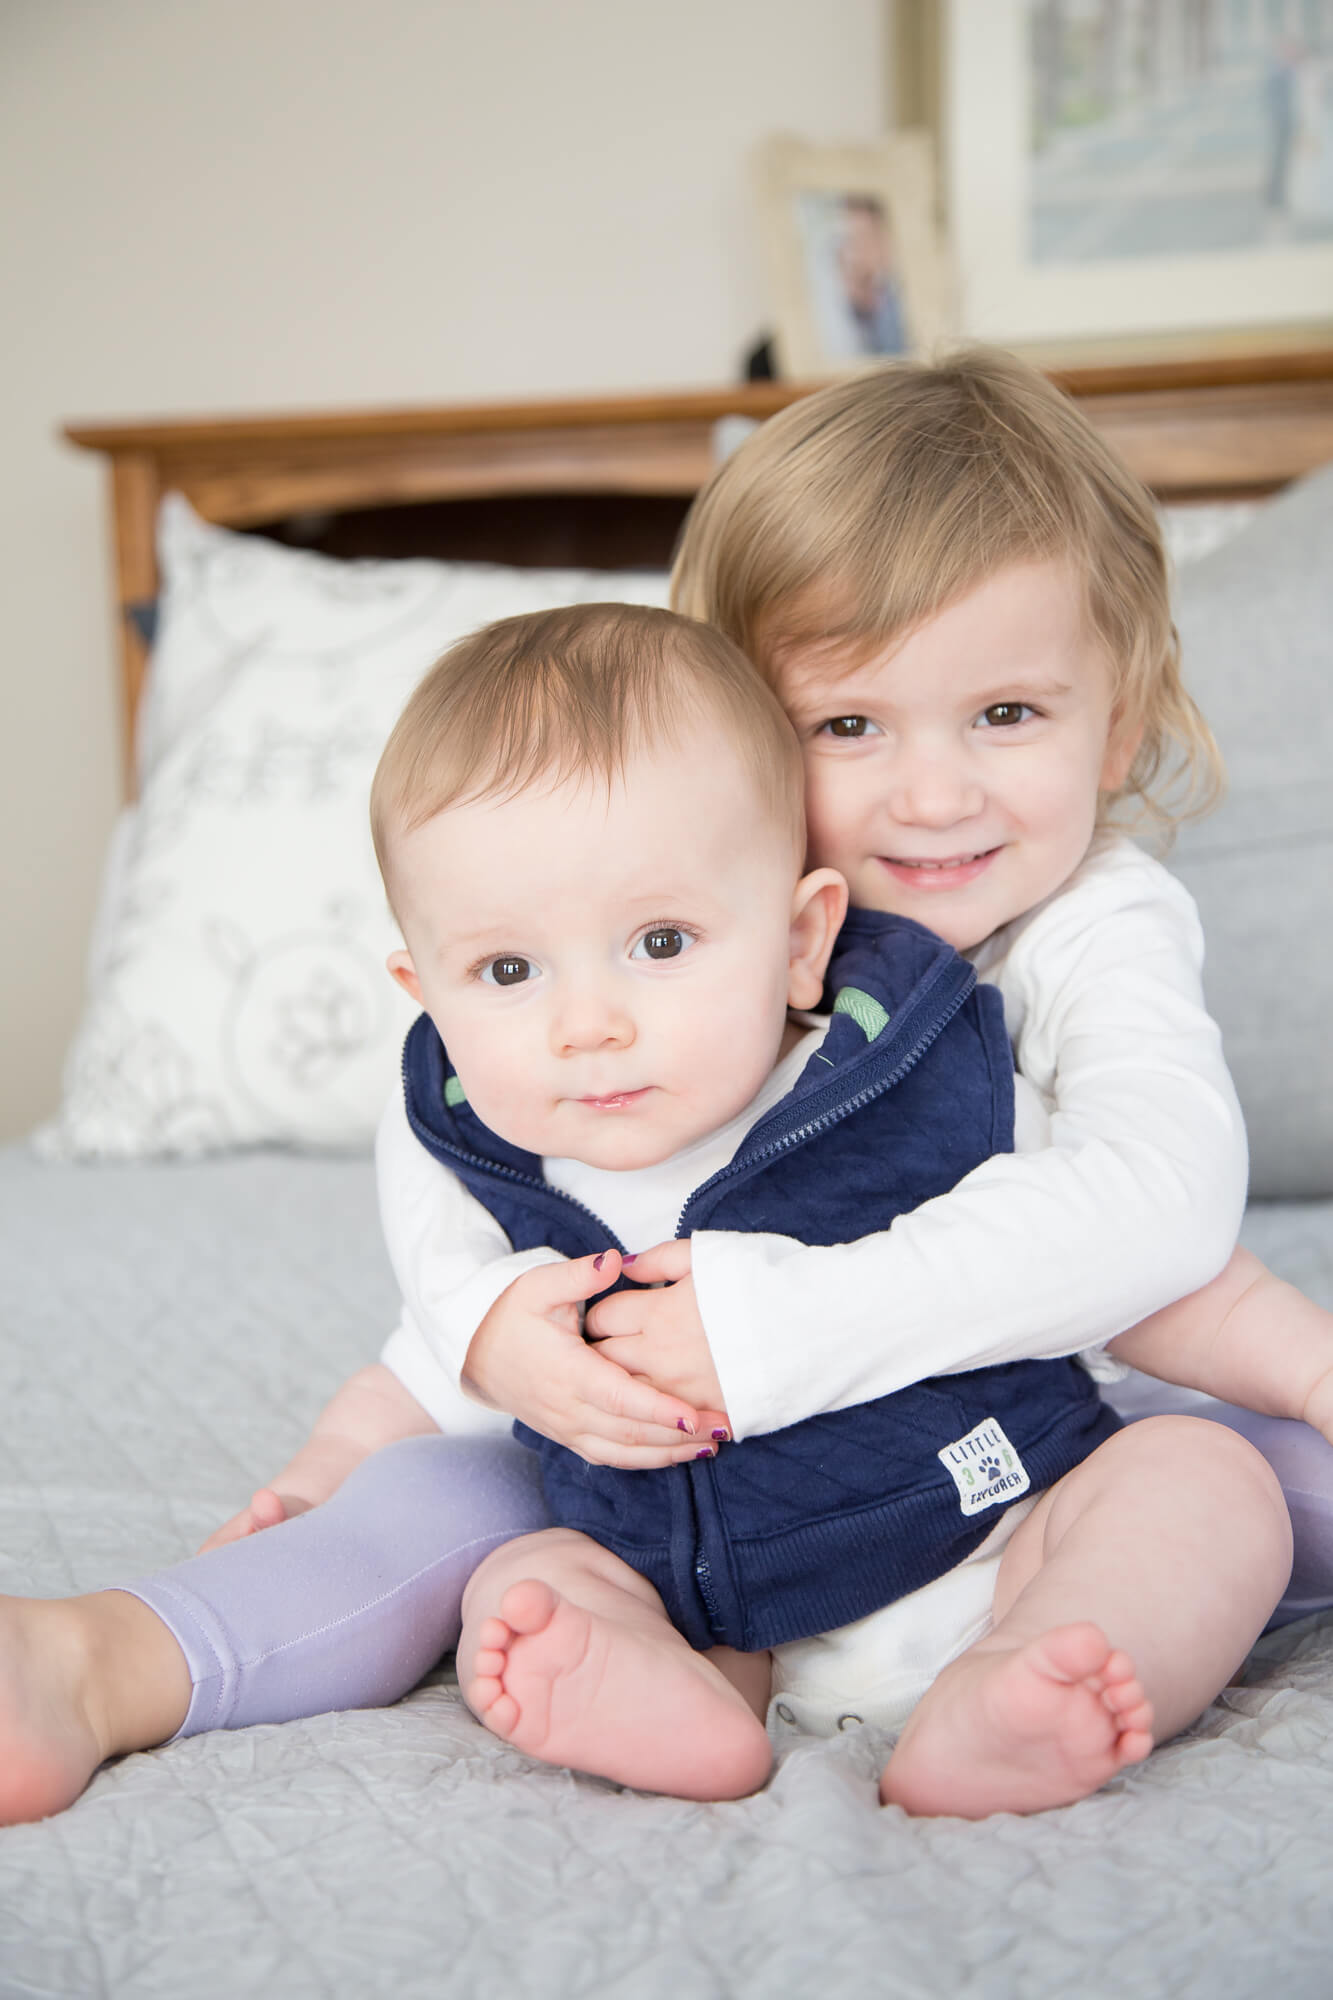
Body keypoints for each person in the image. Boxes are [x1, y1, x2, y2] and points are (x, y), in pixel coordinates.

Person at [0, 350, 1329, 1824]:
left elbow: (1155, 1226)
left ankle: (1022, 1679)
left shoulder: (1089, 918)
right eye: (846, 725)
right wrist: (471, 1350)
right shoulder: (644, 978)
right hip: (674, 1514)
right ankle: (94, 1658)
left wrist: (768, 1326)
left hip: (1000, 1466)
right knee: (465, 1523)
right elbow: (472, 1162)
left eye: (1005, 715)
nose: (933, 795)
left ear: (1119, 721)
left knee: (1215, 1484)